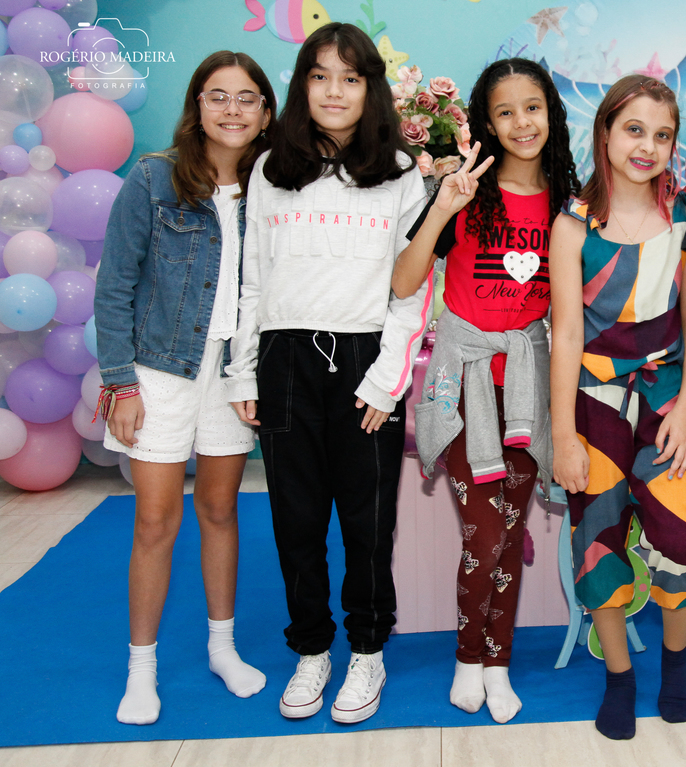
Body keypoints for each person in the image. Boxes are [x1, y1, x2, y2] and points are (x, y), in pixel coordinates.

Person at [225, 23, 431, 725]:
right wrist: (243, 372)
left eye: (350, 78)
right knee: (297, 520)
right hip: (285, 360)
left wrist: (387, 379)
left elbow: (412, 288)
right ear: (301, 86)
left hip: (366, 362)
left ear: (370, 88)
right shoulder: (269, 169)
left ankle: (367, 648)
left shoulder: (400, 172)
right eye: (319, 76)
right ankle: (312, 648)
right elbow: (253, 280)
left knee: (368, 523)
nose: (334, 91)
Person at [393, 57, 579, 724]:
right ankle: (468, 659)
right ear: (487, 123)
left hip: (528, 388)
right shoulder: (465, 190)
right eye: (505, 112)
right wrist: (442, 207)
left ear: (551, 114)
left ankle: (495, 664)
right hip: (463, 382)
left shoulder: (568, 203)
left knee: (508, 530)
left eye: (533, 107)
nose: (521, 122)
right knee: (485, 533)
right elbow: (404, 281)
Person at [95, 50, 275, 725]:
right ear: (197, 105)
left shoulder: (273, 188)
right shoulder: (153, 179)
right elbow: (114, 287)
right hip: (159, 372)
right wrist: (120, 383)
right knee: (155, 519)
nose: (232, 109)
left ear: (265, 113)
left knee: (221, 510)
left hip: (233, 374)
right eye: (217, 95)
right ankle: (141, 669)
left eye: (247, 97)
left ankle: (222, 649)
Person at [548, 73, 686, 741]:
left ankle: (675, 667)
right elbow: (565, 335)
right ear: (605, 132)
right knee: (598, 543)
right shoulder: (572, 224)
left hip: (668, 401)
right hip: (594, 406)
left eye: (662, 135)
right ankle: (619, 677)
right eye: (634, 130)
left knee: (678, 541)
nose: (647, 146)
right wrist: (563, 436)